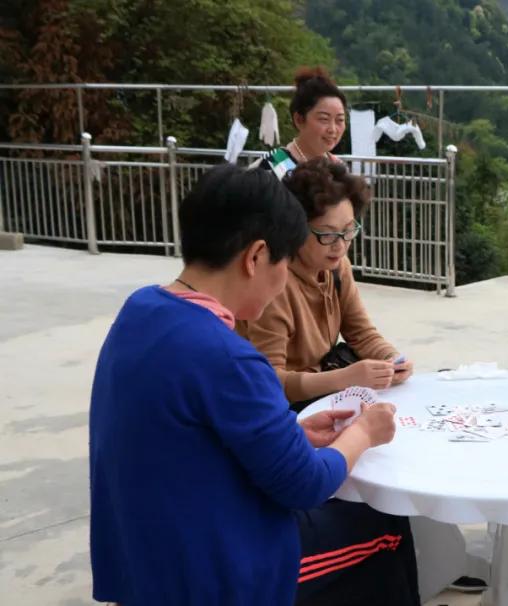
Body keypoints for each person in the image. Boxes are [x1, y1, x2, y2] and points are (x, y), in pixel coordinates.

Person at [89, 165, 419, 606]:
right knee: (384, 525)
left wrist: (294, 435)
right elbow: (304, 484)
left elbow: (191, 436)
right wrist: (364, 432)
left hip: (141, 556)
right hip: (213, 573)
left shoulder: (141, 310)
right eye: (284, 262)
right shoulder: (228, 356)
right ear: (257, 256)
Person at [240, 157, 413, 410]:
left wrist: (392, 359)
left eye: (348, 231)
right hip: (288, 410)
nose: (340, 245)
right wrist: (344, 378)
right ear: (296, 229)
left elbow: (361, 333)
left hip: (322, 392)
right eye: (328, 234)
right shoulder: (275, 283)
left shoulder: (337, 266)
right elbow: (268, 382)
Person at [256, 66, 346, 177]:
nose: (332, 129)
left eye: (340, 120)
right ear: (299, 120)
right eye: (324, 119)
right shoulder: (275, 163)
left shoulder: (338, 166)